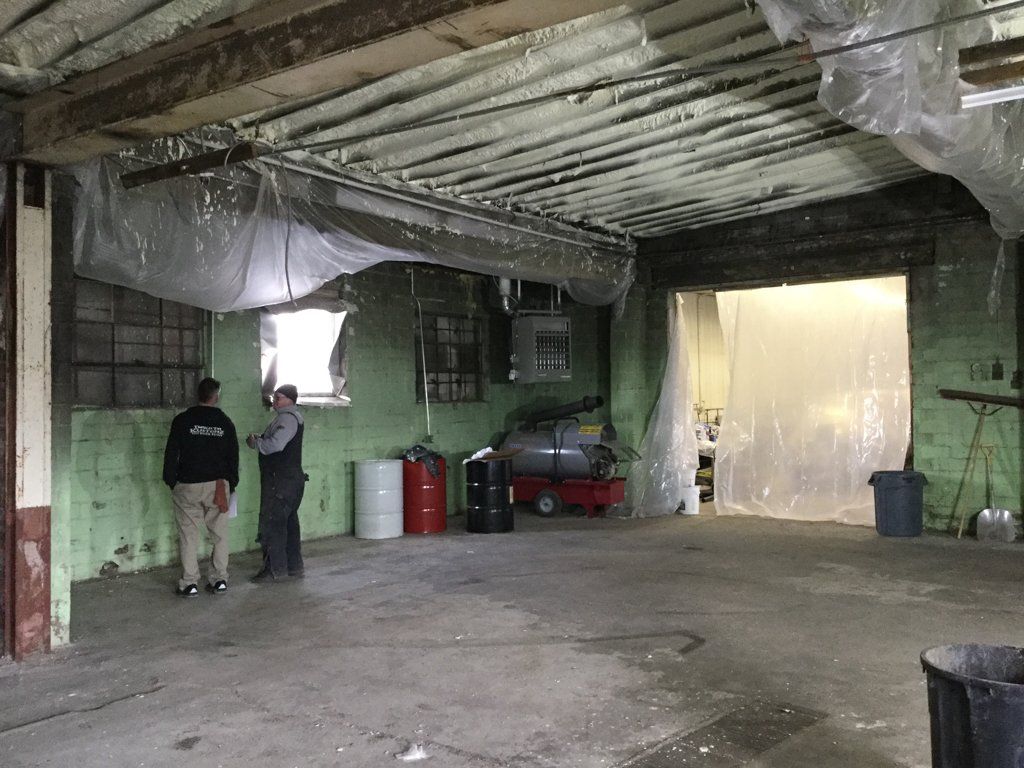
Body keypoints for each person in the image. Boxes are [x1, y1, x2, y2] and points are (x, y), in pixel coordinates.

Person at [163, 377, 239, 597]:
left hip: (187, 484)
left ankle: (189, 584)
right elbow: (233, 458)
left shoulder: (182, 420)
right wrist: (230, 484)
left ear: (198, 395)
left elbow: (171, 454)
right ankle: (219, 580)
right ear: (216, 396)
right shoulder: (225, 422)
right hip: (217, 485)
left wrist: (171, 480)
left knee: (188, 534)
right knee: (220, 534)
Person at [246, 384, 306, 582]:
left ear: (290, 399)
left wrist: (257, 443)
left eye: (279, 397)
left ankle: (274, 569)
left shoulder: (287, 419)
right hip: (289, 481)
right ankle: (294, 567)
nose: (275, 401)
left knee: (272, 524)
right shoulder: (292, 418)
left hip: (280, 482)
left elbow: (276, 445)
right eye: (274, 397)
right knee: (289, 524)